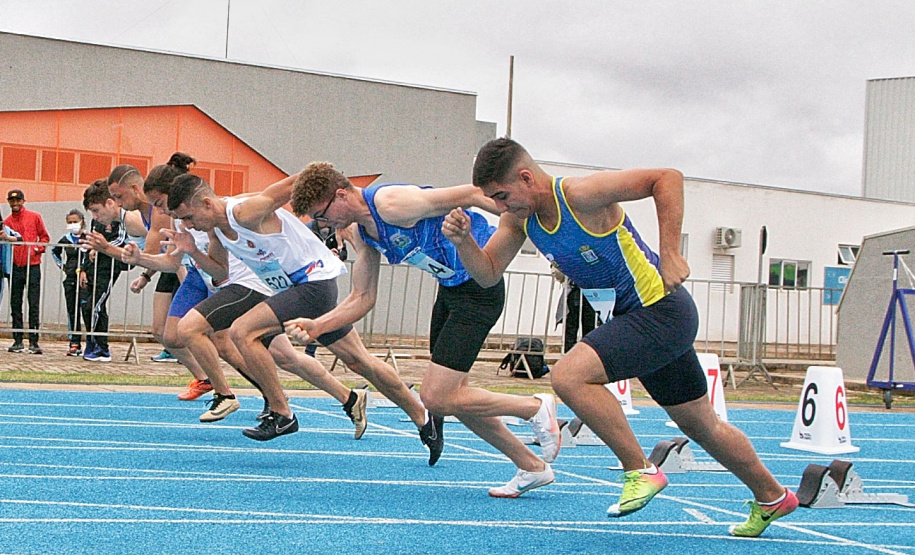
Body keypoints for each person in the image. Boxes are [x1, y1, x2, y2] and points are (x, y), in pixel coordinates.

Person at [442, 137, 797, 537]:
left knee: (569, 376)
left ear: (526, 177)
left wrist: (670, 252)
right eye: (494, 200)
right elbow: (488, 273)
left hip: (660, 310)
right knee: (702, 425)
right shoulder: (519, 219)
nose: (502, 206)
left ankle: (639, 470)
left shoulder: (579, 195)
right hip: (641, 321)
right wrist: (464, 242)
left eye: (503, 195)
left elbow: (666, 178)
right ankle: (772, 496)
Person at [287, 162, 561, 491]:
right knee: (457, 398)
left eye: (322, 214)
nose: (323, 223)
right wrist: (316, 325)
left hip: (479, 288)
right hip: (450, 293)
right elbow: (363, 297)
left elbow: (474, 194)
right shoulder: (361, 231)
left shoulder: (392, 203)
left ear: (341, 195)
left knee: (436, 398)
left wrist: (535, 224)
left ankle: (533, 407)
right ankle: (531, 466)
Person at [167, 172, 430, 450]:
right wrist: (192, 251)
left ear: (207, 203)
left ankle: (282, 413)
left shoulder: (245, 211)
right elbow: (222, 273)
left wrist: (346, 207)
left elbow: (299, 181)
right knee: (358, 361)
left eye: (189, 217)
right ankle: (423, 417)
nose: (187, 224)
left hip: (312, 282)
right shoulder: (216, 231)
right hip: (297, 290)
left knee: (243, 332)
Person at [107, 164, 209, 397]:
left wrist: (108, 249)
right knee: (168, 334)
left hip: (206, 273)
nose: (118, 203)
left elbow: (162, 255)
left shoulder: (157, 214)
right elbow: (170, 260)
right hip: (191, 270)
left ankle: (261, 393)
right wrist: (142, 268)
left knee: (226, 340)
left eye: (118, 197)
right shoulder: (167, 216)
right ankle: (210, 382)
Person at [1, 189, 49, 354]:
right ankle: (18, 340)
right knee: (16, 304)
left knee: (33, 303)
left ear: (23, 201)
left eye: (18, 201)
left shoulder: (34, 217)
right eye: (12, 201)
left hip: (32, 265)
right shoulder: (6, 222)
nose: (15, 204)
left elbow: (44, 237)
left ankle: (34, 341)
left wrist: (36, 248)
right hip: (15, 266)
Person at [51, 209, 89, 356]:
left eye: (75, 222)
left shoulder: (88, 237)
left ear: (82, 221)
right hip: (71, 279)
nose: (73, 224)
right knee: (72, 311)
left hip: (86, 279)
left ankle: (92, 341)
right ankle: (74, 342)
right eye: (70, 222)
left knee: (87, 310)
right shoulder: (65, 239)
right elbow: (55, 251)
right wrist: (63, 267)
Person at [552, 267, 598, 353]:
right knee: (575, 324)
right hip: (580, 291)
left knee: (583, 324)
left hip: (586, 292)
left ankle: (581, 351)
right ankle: (574, 351)